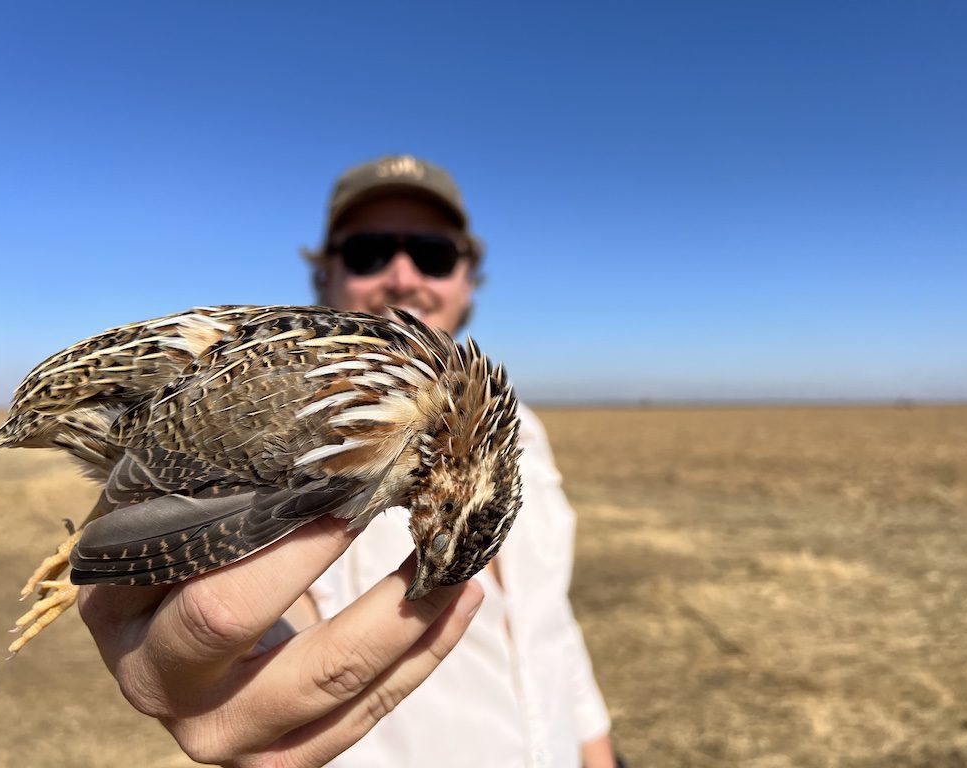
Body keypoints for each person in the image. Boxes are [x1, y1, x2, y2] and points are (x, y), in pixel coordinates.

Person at [78, 155, 616, 767]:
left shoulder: (522, 437)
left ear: (467, 279)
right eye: (367, 253)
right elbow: (228, 605)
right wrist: (221, 683)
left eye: (434, 255)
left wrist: (598, 752)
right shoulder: (303, 422)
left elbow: (552, 630)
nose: (403, 276)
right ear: (326, 274)